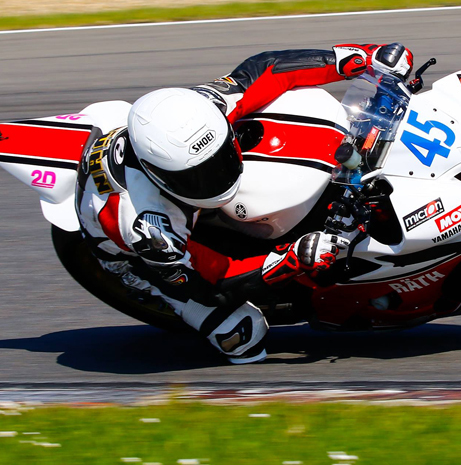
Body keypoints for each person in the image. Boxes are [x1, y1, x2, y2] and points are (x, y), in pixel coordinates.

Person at [75, 43, 414, 364]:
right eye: (199, 176)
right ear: (158, 174)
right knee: (243, 335)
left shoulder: (200, 110)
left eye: (220, 160)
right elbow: (214, 284)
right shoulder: (149, 229)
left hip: (166, 177)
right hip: (142, 261)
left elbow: (269, 70)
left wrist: (358, 58)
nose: (216, 178)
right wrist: (290, 261)